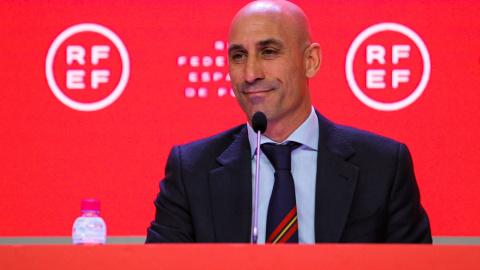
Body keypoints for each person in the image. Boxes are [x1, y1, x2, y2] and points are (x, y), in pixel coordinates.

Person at [146, 0, 432, 243]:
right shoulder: (191, 169)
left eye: (269, 52)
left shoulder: (383, 166)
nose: (250, 73)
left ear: (310, 61)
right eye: (238, 56)